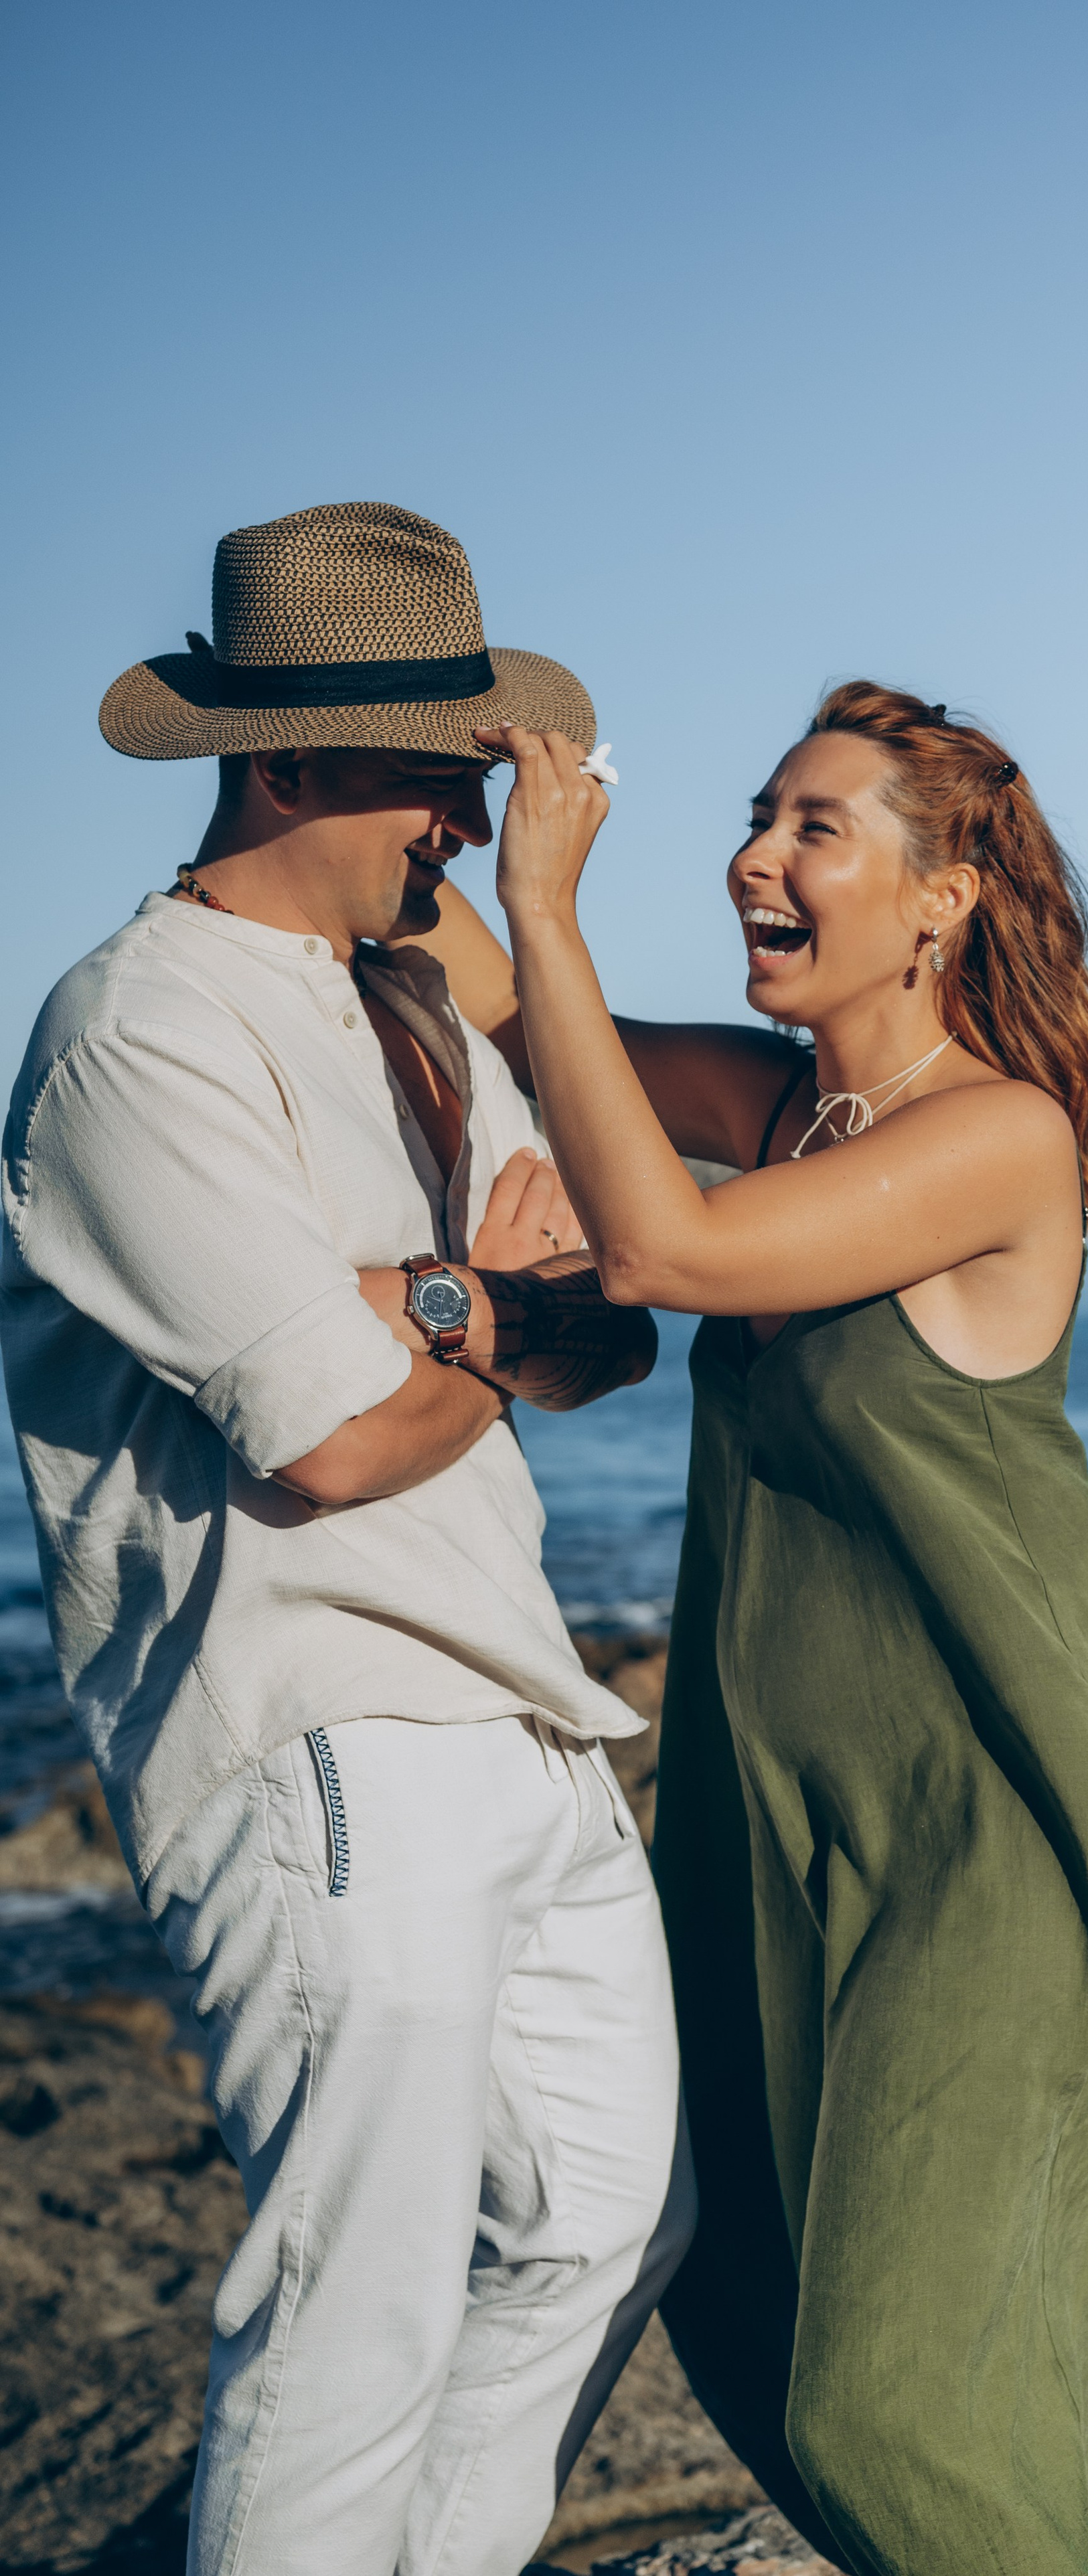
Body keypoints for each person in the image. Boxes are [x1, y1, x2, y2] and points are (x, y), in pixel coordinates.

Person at [429, 683, 1088, 2575]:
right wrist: (441, 804)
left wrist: (552, 910)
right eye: (757, 814)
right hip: (787, 1827)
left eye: (817, 828)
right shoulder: (791, 1104)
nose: (753, 856)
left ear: (944, 896)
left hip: (1000, 1842)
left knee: (880, 2400)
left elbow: (665, 1258)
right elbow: (526, 1038)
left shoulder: (1000, 1140)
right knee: (754, 2303)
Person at [0, 503, 691, 2576]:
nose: (473, 827)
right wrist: (476, 1311)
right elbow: (331, 1448)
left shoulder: (405, 1007)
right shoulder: (142, 1031)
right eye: (439, 774)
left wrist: (453, 1309)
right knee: (351, 2319)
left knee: (604, 2226)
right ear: (282, 764)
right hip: (321, 1741)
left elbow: (610, 1327)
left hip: (522, 1722)